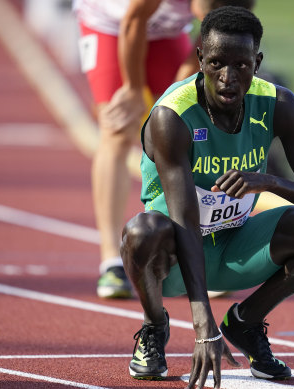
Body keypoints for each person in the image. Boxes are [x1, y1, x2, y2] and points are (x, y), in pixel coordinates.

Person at [121, 6, 294, 387]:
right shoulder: (172, 116)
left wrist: (270, 182)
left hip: (236, 244)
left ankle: (245, 323)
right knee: (141, 232)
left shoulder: (279, 105)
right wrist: (203, 328)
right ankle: (154, 327)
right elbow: (183, 221)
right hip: (173, 256)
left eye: (241, 66)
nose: (228, 78)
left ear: (257, 63)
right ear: (199, 59)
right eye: (216, 63)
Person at [73, 0, 254, 299]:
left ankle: (193, 257)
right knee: (118, 130)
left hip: (167, 30)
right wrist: (132, 89)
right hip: (110, 24)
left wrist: (175, 95)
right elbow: (133, 19)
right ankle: (111, 262)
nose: (211, 18)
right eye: (209, 11)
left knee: (187, 127)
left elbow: (210, 42)